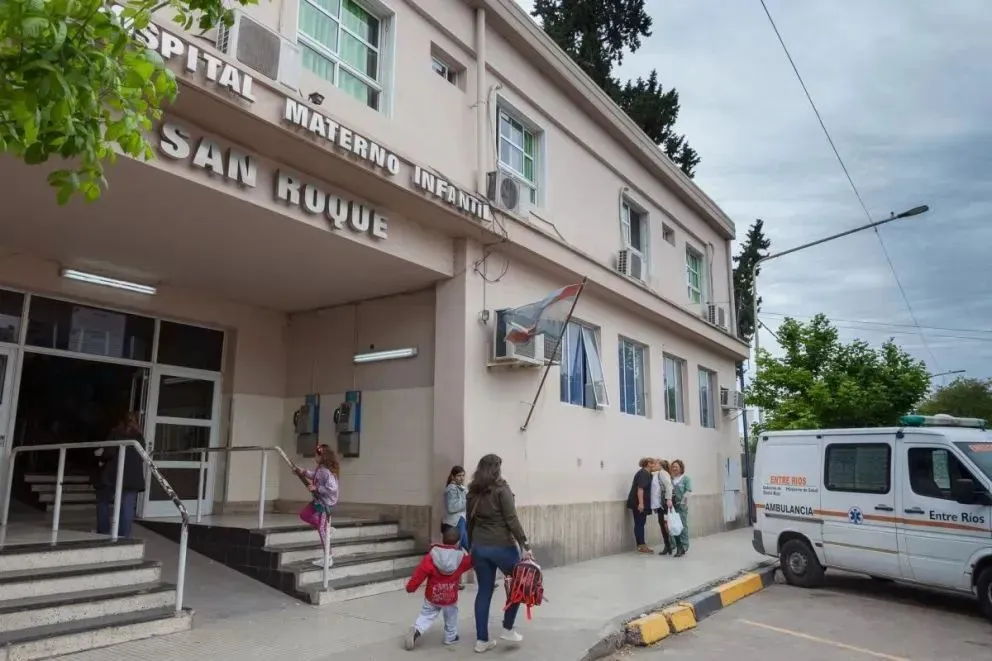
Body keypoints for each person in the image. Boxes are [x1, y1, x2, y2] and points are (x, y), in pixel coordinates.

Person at [466, 453, 532, 654]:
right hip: (502, 546)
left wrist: (471, 546)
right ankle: (508, 628)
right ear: (496, 469)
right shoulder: (502, 489)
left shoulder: (472, 491)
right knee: (519, 584)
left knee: (484, 591)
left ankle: (482, 641)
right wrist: (525, 544)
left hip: (480, 547)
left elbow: (469, 522)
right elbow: (511, 519)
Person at [403, 527, 474, 650]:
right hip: (450, 597)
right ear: (458, 542)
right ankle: (450, 637)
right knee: (451, 616)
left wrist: (411, 587)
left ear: (442, 539)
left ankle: (416, 630)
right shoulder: (461, 558)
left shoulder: (432, 555)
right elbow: (473, 561)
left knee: (426, 615)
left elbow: (420, 572)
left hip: (432, 595)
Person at [94, 412, 146, 539]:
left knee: (103, 501)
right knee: (127, 507)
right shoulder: (139, 437)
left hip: (113, 474)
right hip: (132, 476)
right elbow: (142, 456)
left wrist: (100, 455)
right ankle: (124, 536)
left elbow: (109, 452)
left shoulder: (115, 434)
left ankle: (103, 531)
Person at [293, 444, 340, 567]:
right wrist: (303, 472)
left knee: (321, 529)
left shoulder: (325, 471)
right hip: (318, 501)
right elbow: (315, 475)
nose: (314, 456)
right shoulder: (321, 469)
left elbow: (333, 488)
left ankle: (328, 558)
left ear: (322, 456)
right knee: (305, 515)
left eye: (316, 454)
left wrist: (317, 488)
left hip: (324, 504)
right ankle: (326, 528)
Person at [626, 458, 655, 553]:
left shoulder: (647, 474)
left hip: (640, 502)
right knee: (640, 523)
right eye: (654, 464)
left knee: (640, 523)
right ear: (649, 464)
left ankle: (640, 545)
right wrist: (641, 503)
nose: (656, 466)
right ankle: (641, 545)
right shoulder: (643, 474)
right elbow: (640, 489)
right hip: (638, 503)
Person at [651, 458, 674, 556]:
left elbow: (668, 486)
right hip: (660, 504)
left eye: (655, 464)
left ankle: (669, 545)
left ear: (660, 465)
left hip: (664, 503)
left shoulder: (663, 473)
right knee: (662, 523)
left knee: (664, 524)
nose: (653, 465)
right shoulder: (658, 474)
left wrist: (668, 499)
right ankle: (668, 545)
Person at [670, 459, 693, 557]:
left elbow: (688, 491)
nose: (674, 468)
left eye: (676, 466)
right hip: (672, 506)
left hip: (681, 506)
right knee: (673, 526)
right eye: (673, 466)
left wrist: (682, 503)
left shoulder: (685, 479)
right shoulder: (671, 479)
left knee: (682, 525)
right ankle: (674, 545)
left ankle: (684, 546)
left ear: (681, 468)